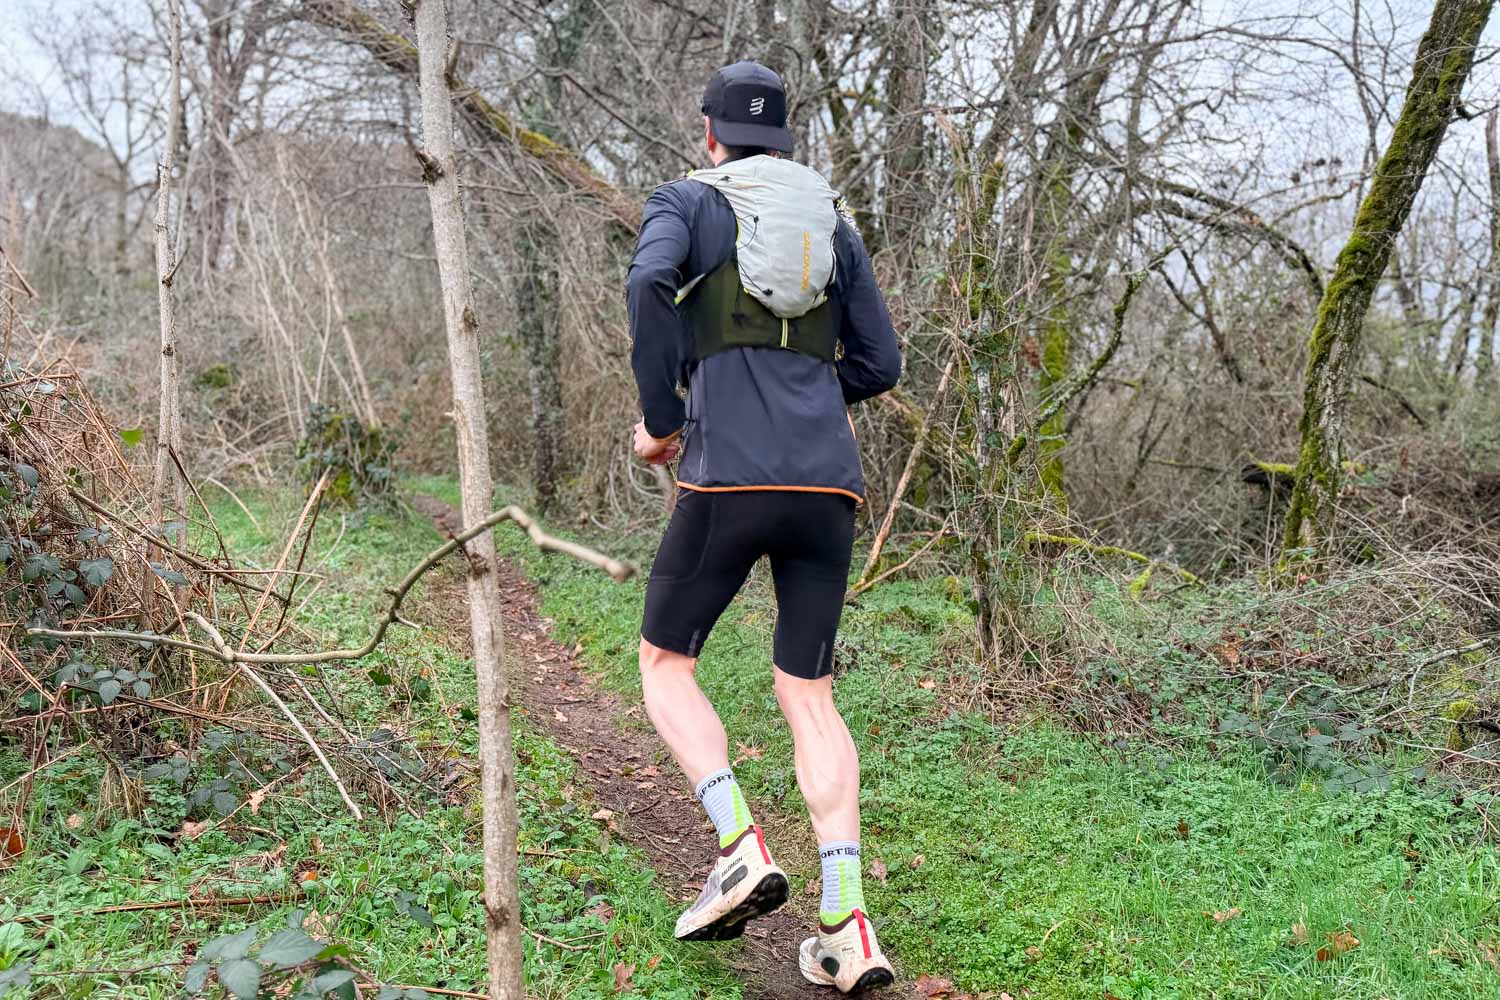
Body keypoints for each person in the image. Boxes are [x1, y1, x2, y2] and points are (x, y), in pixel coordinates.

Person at [624, 60, 902, 994]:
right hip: (829, 489)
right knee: (809, 693)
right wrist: (811, 399)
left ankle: (739, 844)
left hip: (728, 479)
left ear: (710, 134)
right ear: (784, 139)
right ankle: (847, 926)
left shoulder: (686, 201)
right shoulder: (834, 225)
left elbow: (646, 289)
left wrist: (667, 420)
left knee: (666, 664)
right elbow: (881, 362)